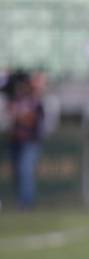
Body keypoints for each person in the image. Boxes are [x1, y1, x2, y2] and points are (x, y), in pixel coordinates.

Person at [6, 71, 45, 209]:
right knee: (17, 172)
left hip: (30, 141)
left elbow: (32, 119)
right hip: (16, 141)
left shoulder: (34, 101)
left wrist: (19, 116)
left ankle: (26, 202)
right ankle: (21, 200)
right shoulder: (15, 100)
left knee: (25, 170)